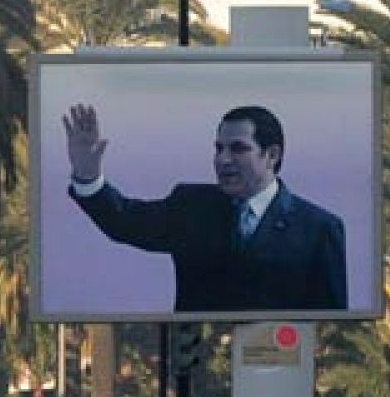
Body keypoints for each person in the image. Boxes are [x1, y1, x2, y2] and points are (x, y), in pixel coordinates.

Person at [62, 102, 347, 312]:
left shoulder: (318, 229)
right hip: (198, 365)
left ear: (272, 155)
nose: (223, 160)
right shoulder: (191, 207)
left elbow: (332, 323)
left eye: (238, 148)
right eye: (218, 148)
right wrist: (87, 176)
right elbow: (125, 221)